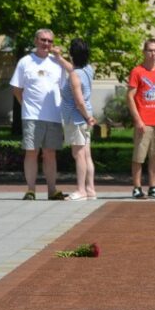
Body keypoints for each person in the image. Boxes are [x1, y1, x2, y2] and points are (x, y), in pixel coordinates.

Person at [10, 28, 66, 200]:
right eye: (43, 40)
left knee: (50, 153)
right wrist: (26, 105)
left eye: (49, 41)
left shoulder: (57, 63)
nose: (46, 44)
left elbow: (64, 87)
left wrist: (61, 58)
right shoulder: (25, 62)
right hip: (32, 116)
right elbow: (17, 89)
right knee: (31, 152)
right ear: (35, 41)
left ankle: (52, 190)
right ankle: (31, 189)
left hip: (54, 116)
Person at [127, 37, 155, 199]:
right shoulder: (137, 72)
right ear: (144, 52)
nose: (153, 54)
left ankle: (153, 186)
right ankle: (137, 187)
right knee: (139, 156)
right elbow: (130, 97)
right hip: (144, 121)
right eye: (150, 50)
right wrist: (137, 119)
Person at [58, 38, 97, 200]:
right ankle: (90, 190)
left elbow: (79, 102)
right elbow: (71, 68)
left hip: (77, 119)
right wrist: (59, 58)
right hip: (84, 119)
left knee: (78, 154)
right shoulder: (88, 69)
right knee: (86, 155)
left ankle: (80, 190)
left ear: (72, 54)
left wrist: (87, 118)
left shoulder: (75, 76)